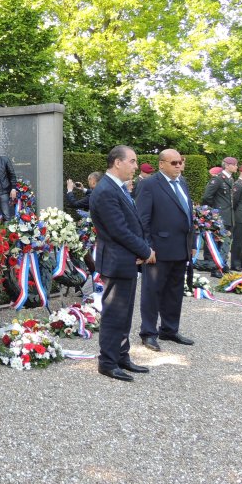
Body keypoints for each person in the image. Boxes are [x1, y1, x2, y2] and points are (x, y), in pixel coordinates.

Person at [89, 145, 155, 382]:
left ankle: (121, 356)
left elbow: (133, 224)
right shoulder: (106, 190)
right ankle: (107, 362)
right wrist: (145, 250)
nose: (136, 166)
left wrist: (140, 249)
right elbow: (119, 230)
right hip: (117, 260)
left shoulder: (117, 188)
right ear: (117, 162)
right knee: (114, 314)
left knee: (125, 313)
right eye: (133, 161)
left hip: (125, 258)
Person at [135, 149, 195, 352]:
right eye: (174, 163)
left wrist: (192, 243)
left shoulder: (183, 182)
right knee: (152, 292)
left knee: (175, 291)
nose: (179, 166)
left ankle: (169, 329)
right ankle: (148, 333)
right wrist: (147, 248)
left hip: (180, 247)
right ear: (161, 164)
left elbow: (189, 214)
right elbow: (142, 219)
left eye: (181, 162)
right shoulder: (149, 184)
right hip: (158, 250)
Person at [202, 157, 238, 274]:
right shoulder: (218, 179)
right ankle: (215, 268)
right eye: (234, 164)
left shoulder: (231, 179)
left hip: (229, 215)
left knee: (226, 242)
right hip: (220, 216)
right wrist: (214, 212)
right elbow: (207, 197)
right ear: (227, 165)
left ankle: (223, 263)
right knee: (218, 242)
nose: (236, 166)